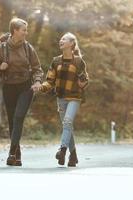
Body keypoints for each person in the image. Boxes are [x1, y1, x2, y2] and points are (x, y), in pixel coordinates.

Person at [0, 18, 43, 166]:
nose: (26, 33)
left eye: (26, 30)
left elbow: (37, 68)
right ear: (15, 30)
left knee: (19, 117)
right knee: (12, 121)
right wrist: (0, 67)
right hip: (9, 86)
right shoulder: (2, 48)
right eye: (24, 30)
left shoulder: (28, 48)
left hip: (25, 87)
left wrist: (38, 81)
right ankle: (17, 155)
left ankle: (11, 152)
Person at [32, 32, 89, 167]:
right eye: (61, 39)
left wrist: (82, 80)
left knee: (68, 121)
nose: (61, 41)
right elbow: (50, 81)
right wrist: (41, 87)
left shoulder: (79, 61)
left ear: (71, 44)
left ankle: (62, 150)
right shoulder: (56, 61)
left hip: (75, 97)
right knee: (67, 126)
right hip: (61, 97)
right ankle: (73, 156)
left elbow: (84, 82)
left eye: (64, 39)